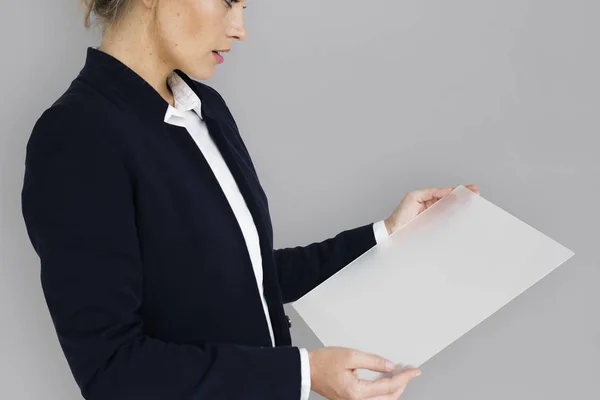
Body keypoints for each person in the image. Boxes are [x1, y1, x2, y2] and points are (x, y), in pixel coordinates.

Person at [20, 1, 479, 399]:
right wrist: (304, 374)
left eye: (244, 7)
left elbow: (246, 276)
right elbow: (113, 370)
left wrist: (386, 235)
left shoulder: (205, 109)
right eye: (227, 1)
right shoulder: (78, 135)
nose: (240, 28)